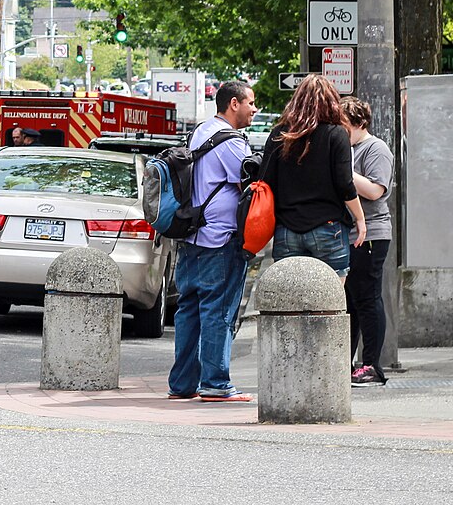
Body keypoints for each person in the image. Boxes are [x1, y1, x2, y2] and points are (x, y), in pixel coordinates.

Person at [168, 80, 257, 403]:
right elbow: (249, 182)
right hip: (219, 237)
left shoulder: (200, 132)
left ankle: (182, 384)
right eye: (250, 103)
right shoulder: (231, 142)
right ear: (233, 104)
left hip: (191, 235)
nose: (254, 109)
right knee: (218, 310)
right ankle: (216, 383)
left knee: (189, 309)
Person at [260, 75, 366, 281]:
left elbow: (265, 181)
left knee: (288, 301)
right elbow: (345, 183)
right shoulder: (336, 134)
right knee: (331, 303)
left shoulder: (278, 134)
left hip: (286, 228)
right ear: (331, 101)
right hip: (328, 228)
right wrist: (360, 218)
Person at [341, 97, 393, 386]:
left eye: (344, 125)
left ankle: (372, 364)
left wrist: (344, 172)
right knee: (352, 300)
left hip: (371, 232)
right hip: (352, 232)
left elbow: (375, 190)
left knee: (368, 297)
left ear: (359, 123)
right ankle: (350, 362)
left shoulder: (376, 149)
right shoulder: (349, 147)